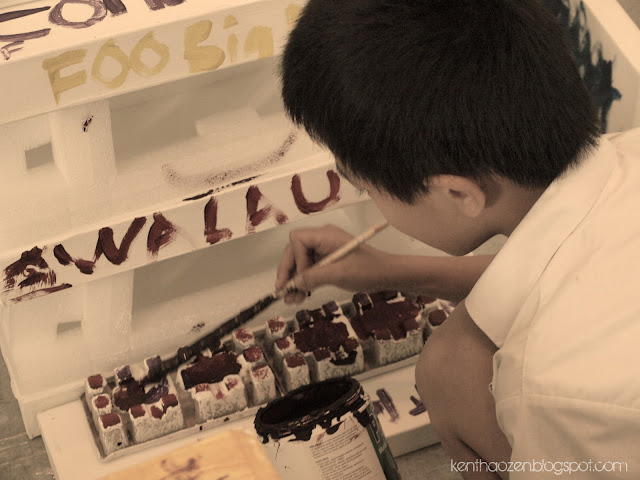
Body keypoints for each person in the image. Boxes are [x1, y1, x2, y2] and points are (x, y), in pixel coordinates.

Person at [274, 0, 640, 478]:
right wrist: (389, 270)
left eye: (366, 189)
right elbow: (571, 274)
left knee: (452, 368)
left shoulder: (552, 391)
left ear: (458, 193)